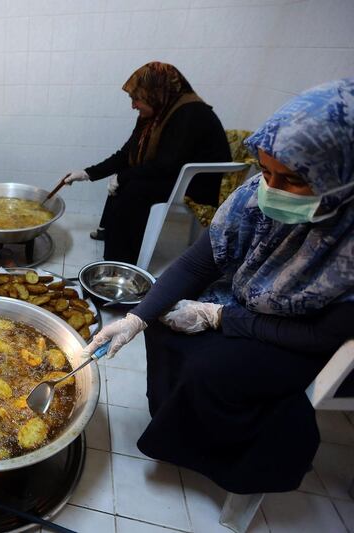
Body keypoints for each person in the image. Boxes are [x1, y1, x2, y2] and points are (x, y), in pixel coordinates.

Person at [83, 78, 354, 494]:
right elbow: (199, 262)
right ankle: (174, 421)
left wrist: (218, 316)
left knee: (213, 372)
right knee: (164, 323)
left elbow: (322, 334)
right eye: (266, 171)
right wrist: (137, 318)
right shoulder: (255, 195)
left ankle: (218, 460)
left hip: (308, 334)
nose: (272, 189)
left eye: (293, 179)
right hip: (248, 297)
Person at [64, 62, 231, 264]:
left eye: (136, 98)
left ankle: (119, 261)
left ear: (155, 92)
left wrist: (123, 177)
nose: (133, 105)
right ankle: (111, 233)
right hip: (174, 172)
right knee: (125, 173)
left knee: (133, 188)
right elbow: (126, 153)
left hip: (197, 182)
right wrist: (86, 173)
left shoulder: (190, 113)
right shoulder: (155, 113)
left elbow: (167, 164)